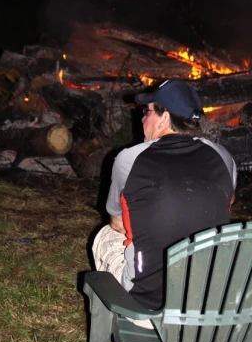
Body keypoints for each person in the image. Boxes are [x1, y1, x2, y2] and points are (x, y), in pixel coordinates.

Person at [92, 79, 237, 316]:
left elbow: (118, 224)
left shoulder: (129, 159)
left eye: (147, 112)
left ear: (164, 117)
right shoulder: (223, 157)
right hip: (207, 302)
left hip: (147, 306)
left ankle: (118, 317)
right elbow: (224, 209)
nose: (142, 119)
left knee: (105, 235)